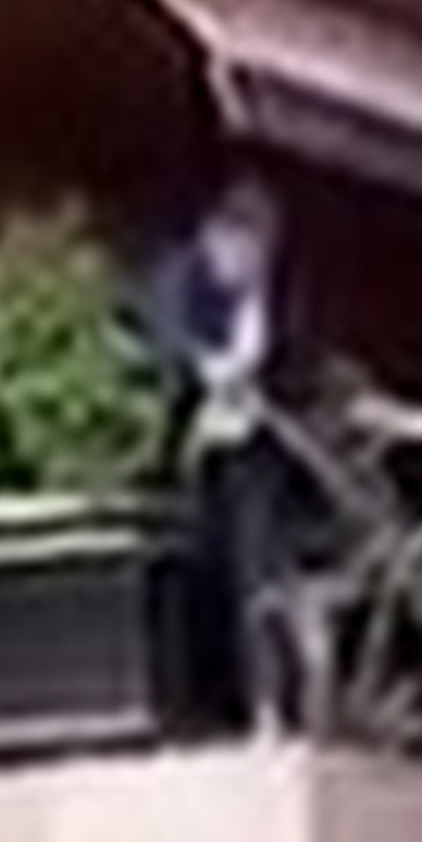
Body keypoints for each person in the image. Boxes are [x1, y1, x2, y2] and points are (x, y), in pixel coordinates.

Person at [138, 174, 298, 731]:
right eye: (244, 250)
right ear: (217, 238)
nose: (250, 265)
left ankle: (265, 704)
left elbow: (289, 370)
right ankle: (187, 706)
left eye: (260, 255)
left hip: (246, 456)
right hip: (183, 456)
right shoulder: (179, 279)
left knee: (256, 574)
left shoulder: (266, 300)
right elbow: (165, 340)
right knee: (188, 578)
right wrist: (205, 368)